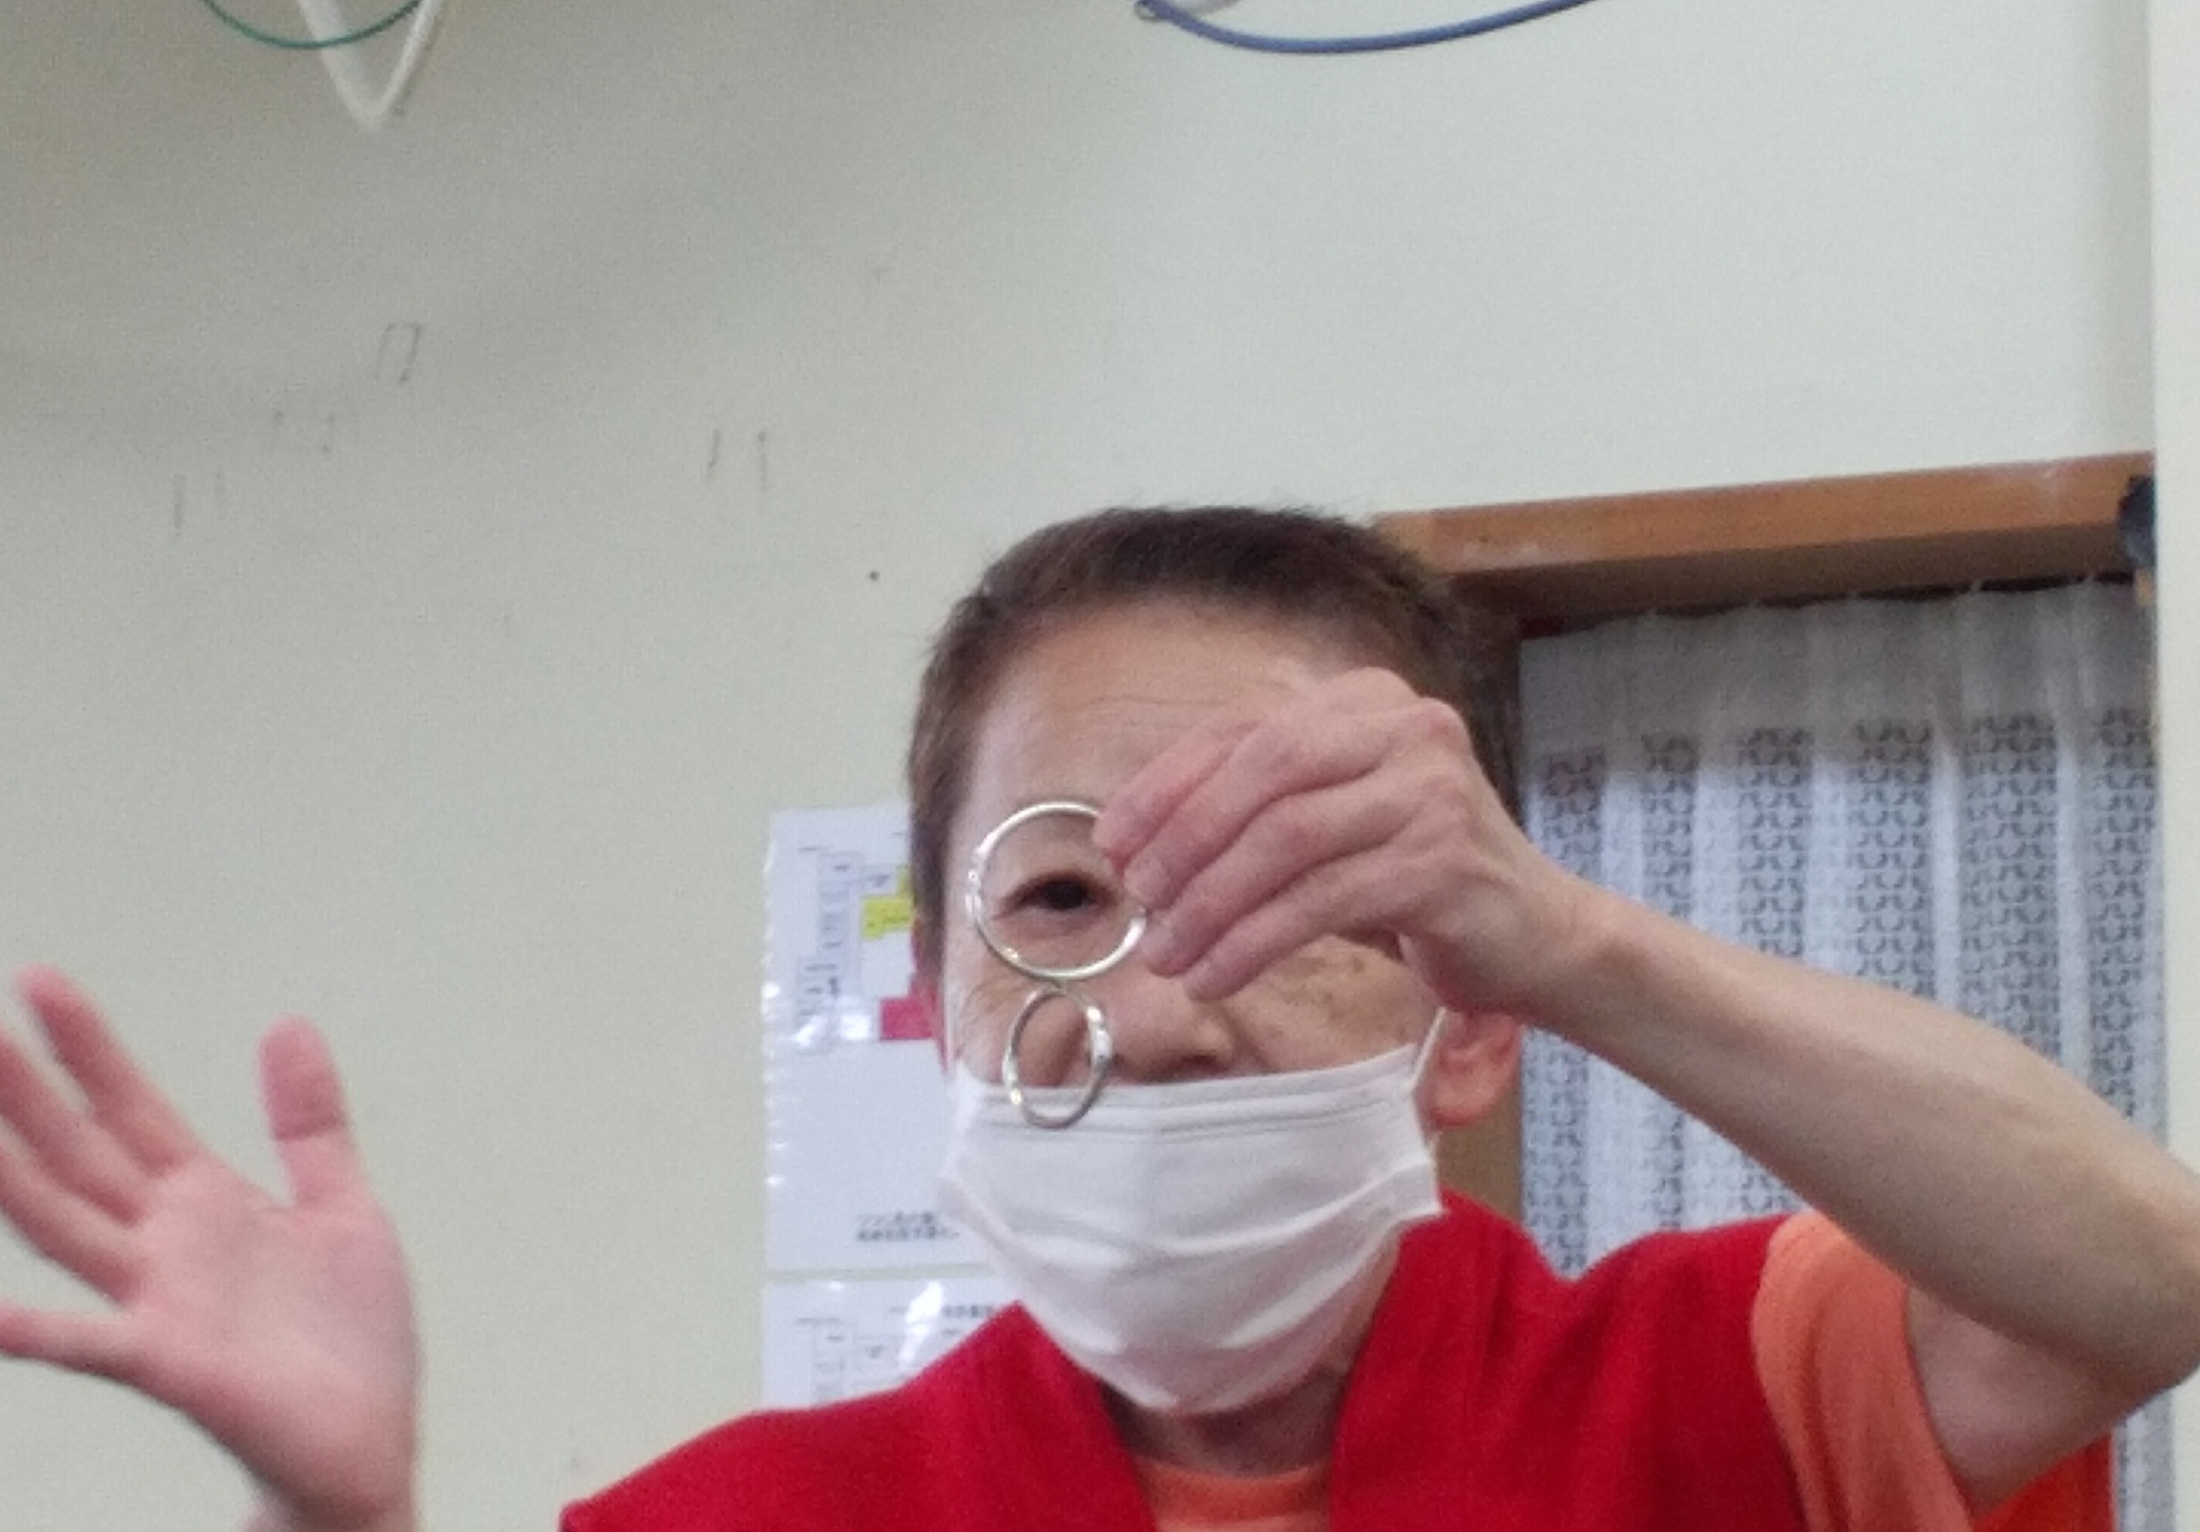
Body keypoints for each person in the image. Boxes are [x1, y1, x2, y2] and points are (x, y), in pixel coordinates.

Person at [3, 503, 2198, 1532]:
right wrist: (332, 1521)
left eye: (1289, 889)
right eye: (1060, 900)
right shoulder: (749, 1524)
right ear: (940, 1005)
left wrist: (1577, 939)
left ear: (1466, 1020)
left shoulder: (1728, 1398)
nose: (1149, 1009)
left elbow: (2141, 1272)